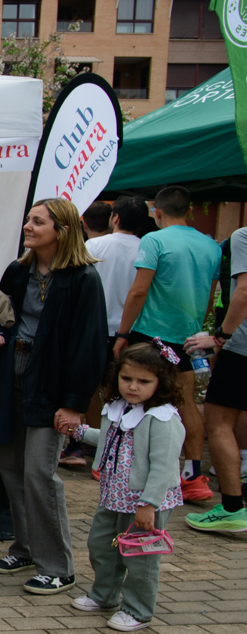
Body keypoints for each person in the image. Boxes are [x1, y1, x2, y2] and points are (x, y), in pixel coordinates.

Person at [0, 198, 107, 595]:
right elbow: (0, 314)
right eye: (28, 220)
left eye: (37, 221)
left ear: (61, 230)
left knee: (39, 472)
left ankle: (58, 567)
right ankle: (26, 548)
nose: (28, 227)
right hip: (12, 376)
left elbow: (90, 344)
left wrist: (73, 403)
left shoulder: (83, 278)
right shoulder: (18, 271)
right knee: (11, 469)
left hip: (52, 385)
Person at [64, 341, 186, 630]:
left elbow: (164, 465)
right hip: (114, 496)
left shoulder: (163, 418)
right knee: (103, 545)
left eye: (144, 381)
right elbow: (109, 439)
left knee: (141, 557)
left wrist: (148, 505)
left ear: (162, 382)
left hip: (145, 502)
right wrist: (78, 432)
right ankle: (104, 595)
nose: (133, 386)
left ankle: (138, 611)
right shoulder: (118, 408)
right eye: (126, 378)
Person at [114, 186, 222, 501]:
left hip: (151, 334)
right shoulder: (211, 246)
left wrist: (123, 334)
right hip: (188, 337)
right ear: (188, 210)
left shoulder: (155, 239)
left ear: (157, 213)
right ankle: (193, 477)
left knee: (136, 398)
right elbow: (209, 292)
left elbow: (138, 291)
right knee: (187, 402)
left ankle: (132, 471)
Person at [186, 224, 247, 533]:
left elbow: (245, 291)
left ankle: (233, 509)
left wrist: (221, 336)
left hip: (243, 348)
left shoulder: (244, 235)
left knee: (219, 422)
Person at [82, 196, 151, 437]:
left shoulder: (94, 246)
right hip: (131, 332)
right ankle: (122, 438)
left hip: (95, 329)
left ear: (115, 217)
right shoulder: (147, 248)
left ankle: (90, 439)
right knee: (126, 390)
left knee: (89, 387)